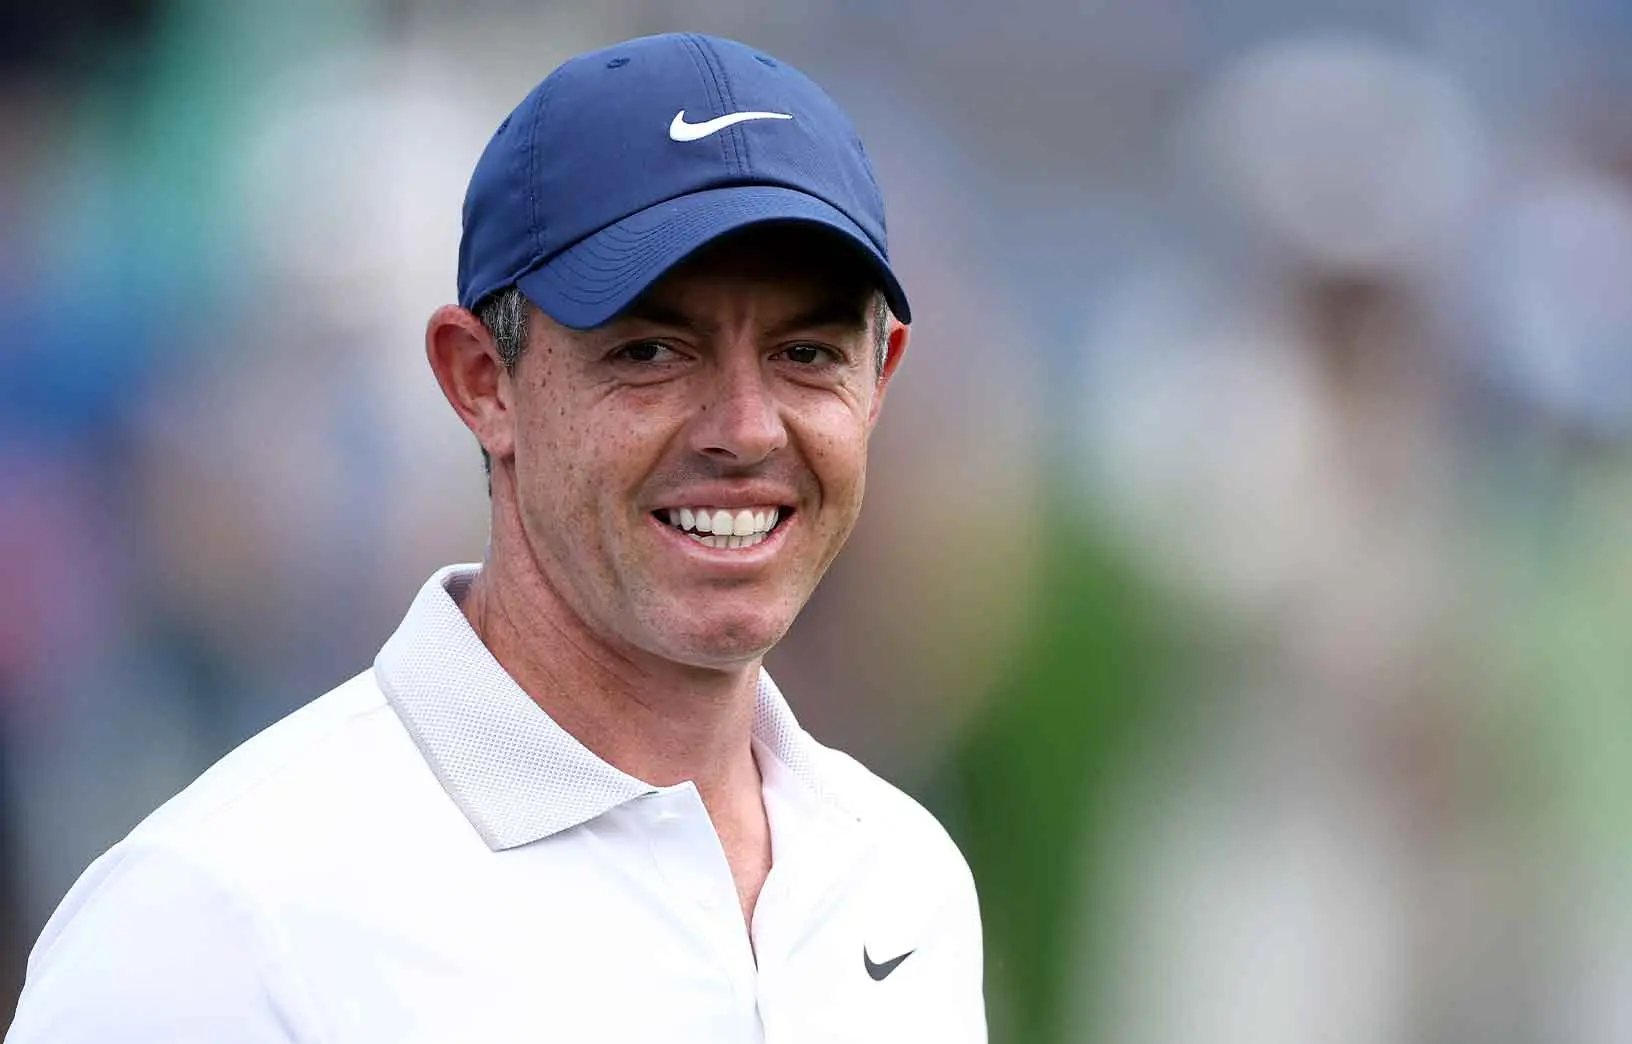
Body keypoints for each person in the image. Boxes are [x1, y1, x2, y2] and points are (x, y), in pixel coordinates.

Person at [6, 32, 985, 1042]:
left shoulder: (903, 881)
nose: (745, 428)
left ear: (880, 379)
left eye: (806, 353)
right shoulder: (214, 923)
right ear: (481, 381)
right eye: (651, 350)